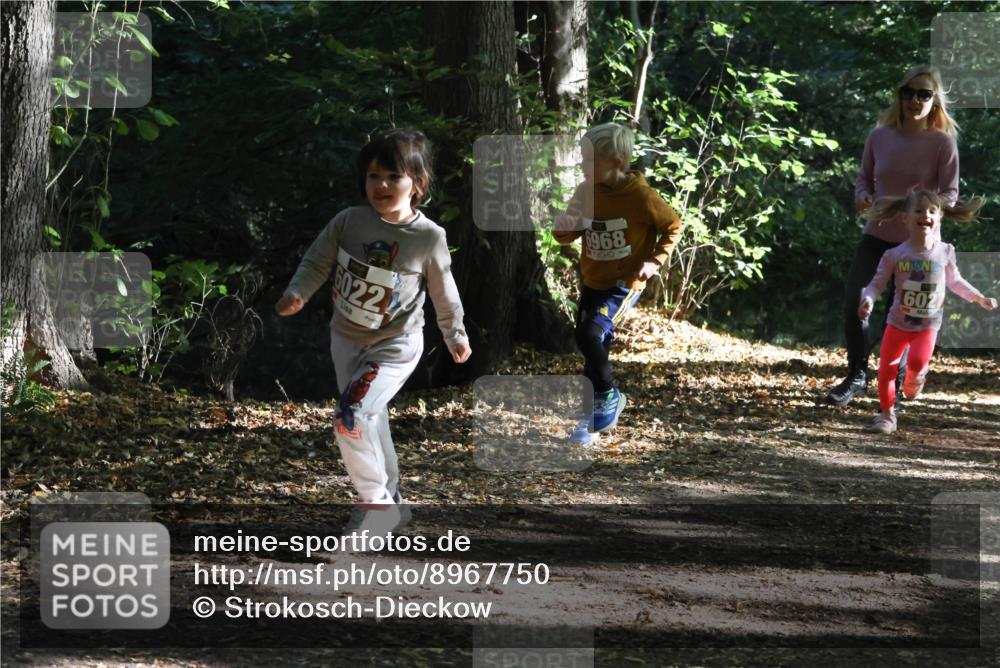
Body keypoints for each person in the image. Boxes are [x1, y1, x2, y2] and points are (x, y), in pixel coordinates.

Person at [276, 128, 471, 532]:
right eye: (372, 176)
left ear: (416, 184)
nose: (380, 185)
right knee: (369, 416)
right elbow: (316, 262)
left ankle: (375, 506)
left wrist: (455, 333)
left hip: (397, 344)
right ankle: (394, 501)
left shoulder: (428, 237)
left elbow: (444, 290)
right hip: (346, 338)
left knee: (351, 416)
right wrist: (298, 293)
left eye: (393, 177)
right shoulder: (349, 221)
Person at [827, 65, 961, 406]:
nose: (914, 100)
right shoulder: (879, 136)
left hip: (918, 247)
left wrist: (919, 208)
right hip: (875, 235)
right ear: (898, 97)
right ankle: (856, 375)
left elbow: (950, 194)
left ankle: (898, 382)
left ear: (934, 100)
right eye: (908, 93)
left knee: (906, 315)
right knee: (857, 302)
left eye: (923, 94)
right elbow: (864, 179)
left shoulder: (942, 143)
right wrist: (862, 196)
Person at [554, 122, 682, 444]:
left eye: (589, 161)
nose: (583, 168)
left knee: (587, 334)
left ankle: (611, 394)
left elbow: (673, 226)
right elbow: (564, 233)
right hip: (592, 279)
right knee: (593, 347)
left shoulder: (640, 196)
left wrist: (654, 262)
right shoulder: (587, 191)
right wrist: (566, 226)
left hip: (622, 284)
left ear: (616, 163)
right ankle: (590, 423)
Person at [858, 190, 995, 434]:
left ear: (940, 217)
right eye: (919, 211)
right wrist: (867, 299)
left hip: (927, 326)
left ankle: (915, 377)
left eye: (932, 210)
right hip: (897, 324)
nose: (926, 215)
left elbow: (956, 282)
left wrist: (978, 298)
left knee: (917, 363)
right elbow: (876, 284)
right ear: (905, 218)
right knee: (886, 370)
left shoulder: (945, 252)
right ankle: (887, 416)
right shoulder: (894, 254)